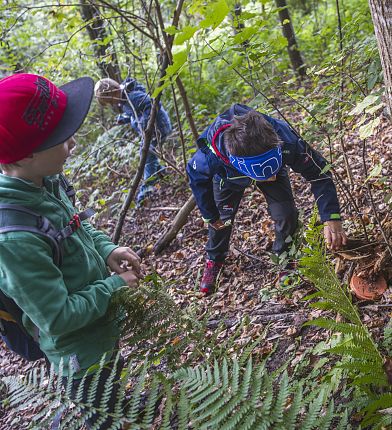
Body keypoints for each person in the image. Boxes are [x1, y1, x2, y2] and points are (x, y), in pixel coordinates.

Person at [0, 73, 142, 428]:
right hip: (79, 358)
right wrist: (114, 286)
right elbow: (58, 318)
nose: (73, 142)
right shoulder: (14, 238)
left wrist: (107, 250)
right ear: (26, 155)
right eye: (63, 138)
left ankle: (120, 405)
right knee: (100, 412)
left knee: (112, 383)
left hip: (100, 332)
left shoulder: (42, 181)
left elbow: (75, 225)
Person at [187, 104, 348, 295]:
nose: (267, 175)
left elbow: (319, 173)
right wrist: (210, 215)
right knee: (221, 221)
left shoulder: (285, 140)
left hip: (270, 162)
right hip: (229, 176)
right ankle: (214, 259)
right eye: (260, 170)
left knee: (286, 214)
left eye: (269, 164)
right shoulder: (211, 155)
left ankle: (284, 259)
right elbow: (196, 177)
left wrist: (331, 217)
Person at [94, 77, 172, 205]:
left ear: (112, 93)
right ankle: (160, 172)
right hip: (152, 130)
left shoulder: (132, 97)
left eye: (110, 101)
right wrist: (125, 118)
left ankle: (147, 189)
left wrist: (142, 123)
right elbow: (136, 111)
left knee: (147, 156)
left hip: (158, 128)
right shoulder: (124, 99)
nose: (112, 104)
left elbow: (152, 104)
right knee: (148, 155)